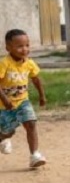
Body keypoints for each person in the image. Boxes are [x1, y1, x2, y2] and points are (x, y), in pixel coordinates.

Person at [0, 29, 47, 168]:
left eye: (27, 45)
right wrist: (5, 100)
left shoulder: (29, 63)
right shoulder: (4, 63)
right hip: (4, 105)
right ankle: (3, 139)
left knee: (31, 123)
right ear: (8, 47)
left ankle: (34, 155)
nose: (24, 49)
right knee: (8, 131)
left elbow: (36, 79)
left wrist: (42, 95)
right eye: (19, 46)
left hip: (23, 101)